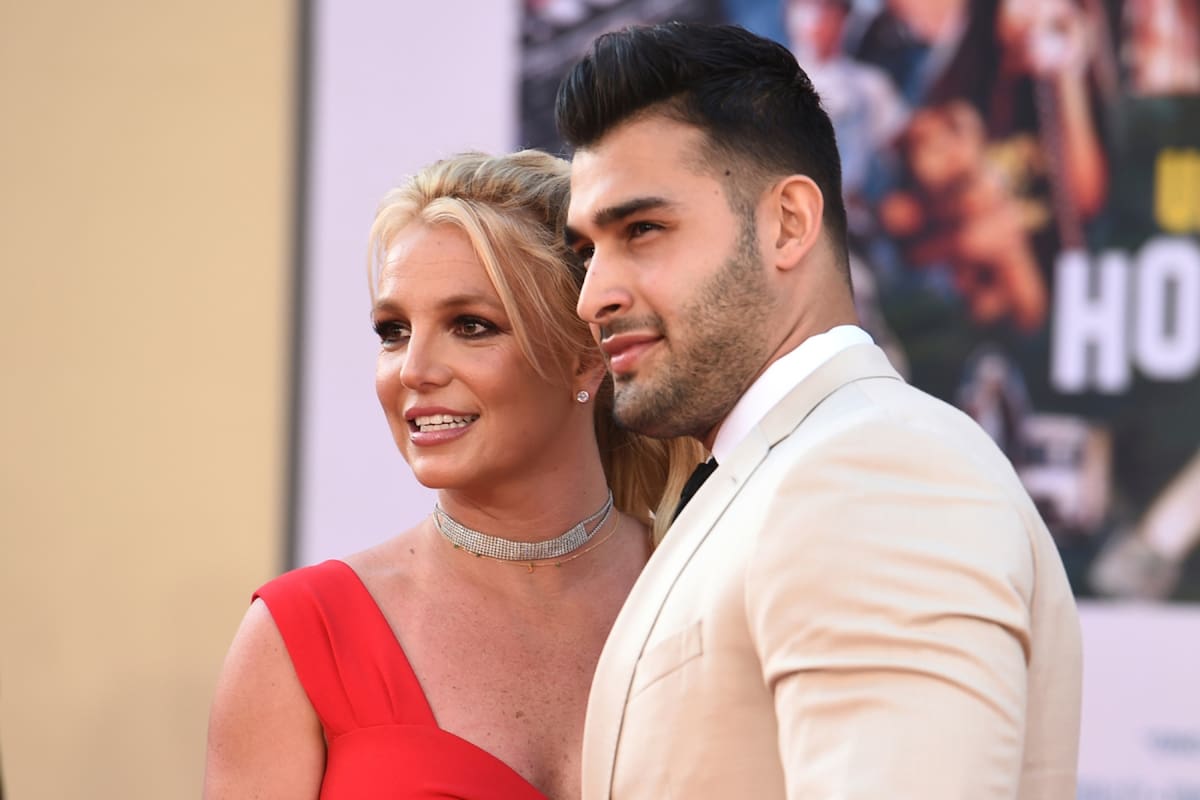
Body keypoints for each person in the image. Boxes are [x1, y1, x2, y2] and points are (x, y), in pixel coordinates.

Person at [556, 22, 1083, 799]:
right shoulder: (793, 471)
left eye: (642, 230)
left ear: (789, 223)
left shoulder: (874, 475)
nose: (593, 295)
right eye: (586, 251)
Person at [203, 150, 703, 799]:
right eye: (393, 331)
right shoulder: (300, 638)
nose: (414, 369)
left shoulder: (707, 591)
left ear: (586, 358)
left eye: (470, 326)